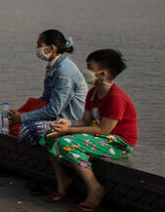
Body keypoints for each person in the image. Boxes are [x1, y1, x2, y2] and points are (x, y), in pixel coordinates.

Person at [41, 49, 136, 211]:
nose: (86, 71)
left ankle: (95, 189)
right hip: (99, 136)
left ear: (103, 73)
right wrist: (66, 123)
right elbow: (85, 120)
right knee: (50, 135)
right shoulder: (92, 93)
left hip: (118, 142)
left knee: (66, 141)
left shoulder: (116, 98)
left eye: (90, 67)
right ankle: (63, 182)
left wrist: (68, 131)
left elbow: (104, 129)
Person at [10, 29, 87, 144]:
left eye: (39, 45)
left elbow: (53, 110)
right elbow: (45, 98)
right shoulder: (54, 66)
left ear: (52, 48)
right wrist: (21, 113)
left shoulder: (64, 72)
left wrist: (22, 117)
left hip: (69, 120)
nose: (37, 49)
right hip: (57, 116)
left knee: (27, 130)